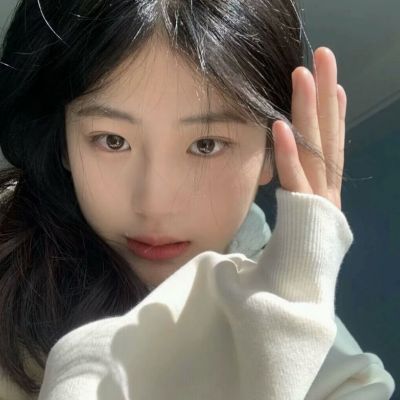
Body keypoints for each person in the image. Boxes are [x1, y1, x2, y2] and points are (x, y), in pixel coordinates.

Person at [0, 0, 395, 399]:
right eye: (112, 140)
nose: (154, 205)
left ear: (270, 152)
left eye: (206, 145)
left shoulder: (336, 368)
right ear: (64, 143)